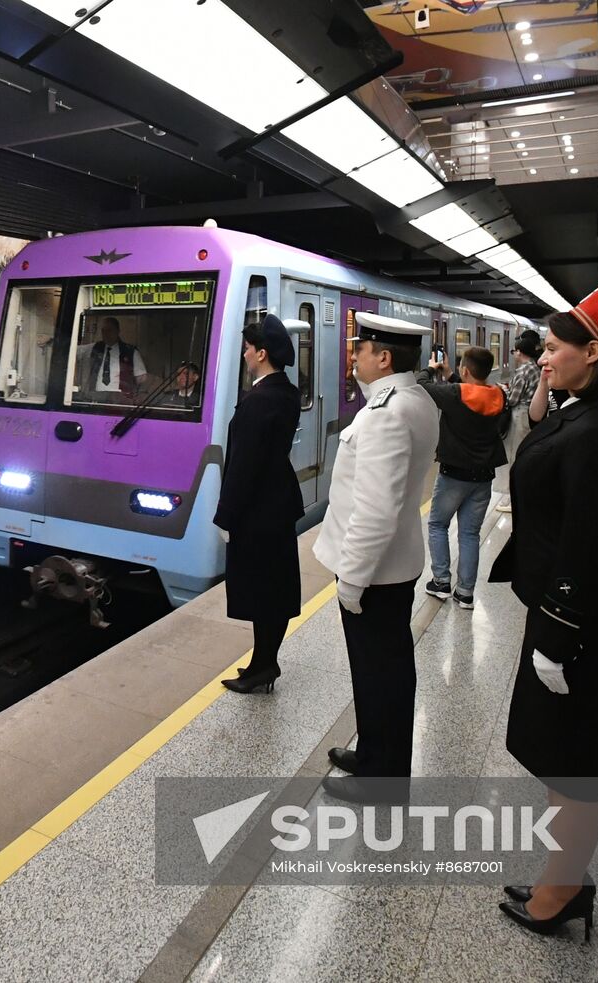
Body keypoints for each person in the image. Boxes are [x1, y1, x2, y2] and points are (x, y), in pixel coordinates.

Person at [489, 287, 598, 939]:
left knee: (578, 768)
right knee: (562, 759)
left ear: (595, 351)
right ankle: (563, 874)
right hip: (566, 611)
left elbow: (588, 539)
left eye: (555, 348)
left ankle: (561, 893)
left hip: (577, 620)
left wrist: (557, 633)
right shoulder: (586, 410)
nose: (543, 358)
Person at [312, 313, 439, 802]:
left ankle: (383, 779)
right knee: (381, 670)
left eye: (360, 349)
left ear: (383, 358)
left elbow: (376, 507)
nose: (354, 356)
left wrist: (353, 578)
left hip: (376, 574)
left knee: (379, 672)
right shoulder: (414, 399)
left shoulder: (387, 413)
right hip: (393, 566)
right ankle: (375, 754)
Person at [214, 315, 303, 695]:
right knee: (275, 588)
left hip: (256, 512)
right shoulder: (286, 392)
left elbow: (243, 466)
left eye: (248, 349)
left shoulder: (258, 401)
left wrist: (226, 516)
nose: (245, 355)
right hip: (279, 504)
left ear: (261, 353)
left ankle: (264, 664)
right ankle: (264, 660)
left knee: (262, 592)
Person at [418, 345, 508, 609]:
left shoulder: (454, 394)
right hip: (483, 478)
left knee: (437, 525)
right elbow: (473, 395)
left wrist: (432, 368)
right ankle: (466, 593)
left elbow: (421, 384)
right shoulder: (499, 395)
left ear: (465, 370)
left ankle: (441, 582)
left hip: (453, 475)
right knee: (470, 534)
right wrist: (452, 376)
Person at [495, 334, 542, 512]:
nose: (514, 354)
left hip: (519, 416)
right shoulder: (534, 368)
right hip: (528, 415)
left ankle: (511, 497)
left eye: (515, 351)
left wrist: (503, 391)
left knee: (513, 455)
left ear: (520, 352)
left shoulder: (523, 371)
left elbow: (513, 400)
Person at [82, 317, 147, 398]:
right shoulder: (95, 348)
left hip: (121, 399)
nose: (106, 334)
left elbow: (141, 378)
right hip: (96, 397)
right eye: (103, 331)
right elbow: (74, 350)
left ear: (117, 331)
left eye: (109, 330)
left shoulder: (131, 351)